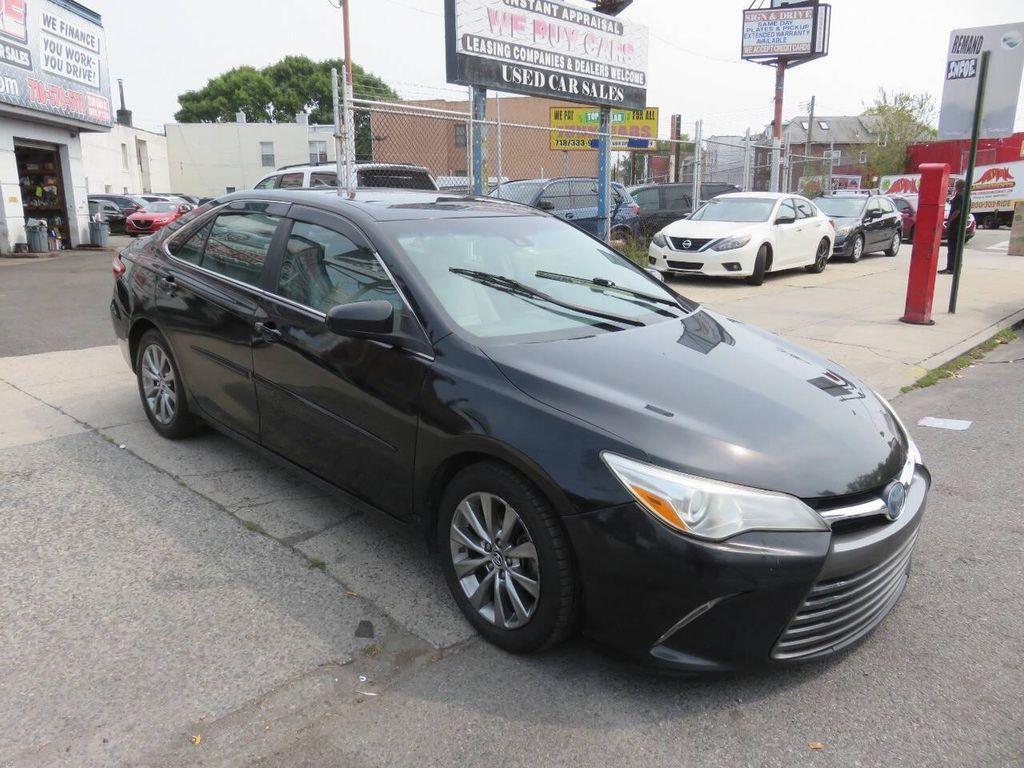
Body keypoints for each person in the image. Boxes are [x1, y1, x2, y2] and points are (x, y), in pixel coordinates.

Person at [940, 179, 966, 275]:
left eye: (956, 185)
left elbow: (957, 211)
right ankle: (956, 267)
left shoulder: (959, 196)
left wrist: (949, 222)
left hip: (955, 227)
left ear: (958, 187)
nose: (954, 187)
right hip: (961, 226)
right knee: (958, 249)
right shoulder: (967, 197)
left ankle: (951, 268)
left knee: (952, 249)